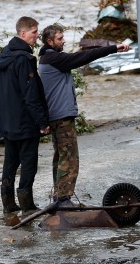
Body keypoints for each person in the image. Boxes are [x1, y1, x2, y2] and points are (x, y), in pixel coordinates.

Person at [38, 24, 130, 207]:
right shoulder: (53, 58)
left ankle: (59, 196)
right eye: (60, 38)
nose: (63, 40)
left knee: (60, 156)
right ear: (50, 41)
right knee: (69, 158)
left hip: (55, 115)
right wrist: (114, 48)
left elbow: (81, 55)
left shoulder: (47, 58)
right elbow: (84, 56)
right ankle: (63, 199)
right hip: (61, 117)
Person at [0, 16, 50, 214]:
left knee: (10, 162)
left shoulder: (5, 55)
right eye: (34, 32)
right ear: (23, 33)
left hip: (8, 122)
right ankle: (27, 205)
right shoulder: (24, 59)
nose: (37, 35)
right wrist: (42, 122)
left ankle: (8, 204)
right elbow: (30, 94)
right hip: (24, 123)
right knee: (28, 164)